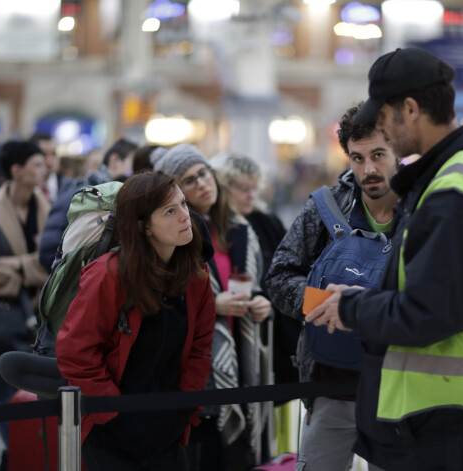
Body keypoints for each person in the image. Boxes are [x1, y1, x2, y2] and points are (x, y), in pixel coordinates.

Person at [305, 47, 463, 471]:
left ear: (411, 109)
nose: (382, 131)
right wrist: (371, 294)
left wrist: (352, 306)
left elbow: (431, 313)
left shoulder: (453, 194)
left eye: (383, 120)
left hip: (451, 419)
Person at [265, 103, 399, 471]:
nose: (368, 169)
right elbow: (278, 276)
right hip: (330, 386)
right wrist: (323, 304)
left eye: (378, 155)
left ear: (398, 152)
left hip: (400, 388)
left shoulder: (425, 210)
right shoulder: (325, 207)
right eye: (357, 158)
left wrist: (366, 306)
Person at [55, 171, 216, 471]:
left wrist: (184, 406)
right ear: (144, 227)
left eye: (183, 204)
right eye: (170, 210)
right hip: (111, 435)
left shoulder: (196, 276)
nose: (185, 216)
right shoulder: (108, 275)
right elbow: (75, 352)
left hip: (168, 429)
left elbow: (200, 347)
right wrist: (113, 411)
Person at [154, 144, 272, 470]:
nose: (202, 184)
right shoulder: (176, 234)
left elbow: (255, 282)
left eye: (204, 173)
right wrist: (213, 305)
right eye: (189, 181)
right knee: (205, 451)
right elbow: (162, 299)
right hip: (198, 360)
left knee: (236, 453)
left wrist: (262, 301)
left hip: (240, 348)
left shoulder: (240, 227)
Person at [0, 139, 50, 469]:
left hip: (41, 316)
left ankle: (27, 455)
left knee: (36, 393)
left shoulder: (45, 206)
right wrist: (29, 269)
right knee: (3, 393)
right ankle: (18, 454)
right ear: (16, 171)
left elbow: (53, 261)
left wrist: (17, 265)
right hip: (2, 316)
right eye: (37, 164)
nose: (45, 170)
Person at [212, 153, 301, 389]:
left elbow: (288, 271)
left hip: (272, 335)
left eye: (254, 188)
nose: (251, 195)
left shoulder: (266, 221)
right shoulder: (213, 226)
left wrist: (266, 300)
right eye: (243, 188)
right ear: (224, 187)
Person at [38, 137, 138, 272]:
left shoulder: (118, 199)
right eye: (136, 166)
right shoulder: (84, 196)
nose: (139, 175)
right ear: (115, 161)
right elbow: (49, 252)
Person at [29, 131, 72, 202]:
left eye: (54, 154)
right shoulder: (24, 188)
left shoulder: (70, 187)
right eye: (43, 154)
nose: (49, 162)